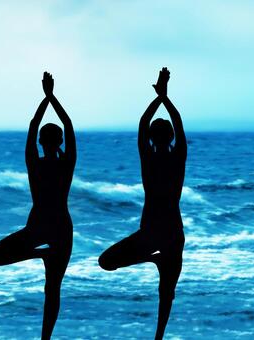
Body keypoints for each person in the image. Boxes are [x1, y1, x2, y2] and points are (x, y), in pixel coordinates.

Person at [0, 72, 76, 340]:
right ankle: (45, 338)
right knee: (53, 289)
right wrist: (53, 97)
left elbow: (33, 124)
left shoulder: (34, 163)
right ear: (59, 142)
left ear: (40, 142)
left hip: (39, 227)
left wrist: (44, 97)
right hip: (59, 227)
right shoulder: (66, 163)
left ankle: (41, 254)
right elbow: (68, 124)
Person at [98, 67, 186, 339]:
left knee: (107, 262)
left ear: (150, 138)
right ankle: (158, 336)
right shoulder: (176, 158)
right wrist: (165, 97)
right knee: (166, 293)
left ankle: (152, 260)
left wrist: (158, 98)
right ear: (170, 137)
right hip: (169, 232)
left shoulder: (149, 158)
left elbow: (143, 123)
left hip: (153, 232)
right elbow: (177, 124)